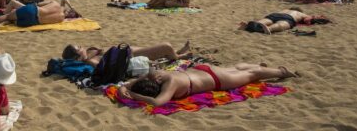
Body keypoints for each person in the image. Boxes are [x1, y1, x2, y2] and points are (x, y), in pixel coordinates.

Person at [119, 63, 298, 106]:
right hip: (201, 70)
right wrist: (124, 88)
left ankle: (282, 72)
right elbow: (131, 83)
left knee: (252, 74)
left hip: (214, 80)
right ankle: (259, 63)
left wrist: (134, 95)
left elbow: (158, 102)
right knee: (238, 67)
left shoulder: (170, 85)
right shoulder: (154, 74)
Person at [0, 0, 80, 31]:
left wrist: (71, 7)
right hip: (33, 21)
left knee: (7, 16)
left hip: (34, 10)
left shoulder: (55, 3)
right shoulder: (61, 19)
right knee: (11, 21)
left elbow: (39, 4)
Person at [62, 41, 192, 65]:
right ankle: (178, 56)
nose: (82, 46)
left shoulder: (89, 54)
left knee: (157, 50)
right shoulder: (89, 61)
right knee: (166, 46)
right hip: (131, 56)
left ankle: (176, 53)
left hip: (129, 50)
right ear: (78, 57)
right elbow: (102, 66)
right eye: (79, 47)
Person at [239, 7, 328, 34]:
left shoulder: (285, 9)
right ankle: (270, 29)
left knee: (266, 20)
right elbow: (308, 19)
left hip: (275, 14)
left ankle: (249, 25)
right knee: (281, 25)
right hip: (289, 18)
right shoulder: (300, 13)